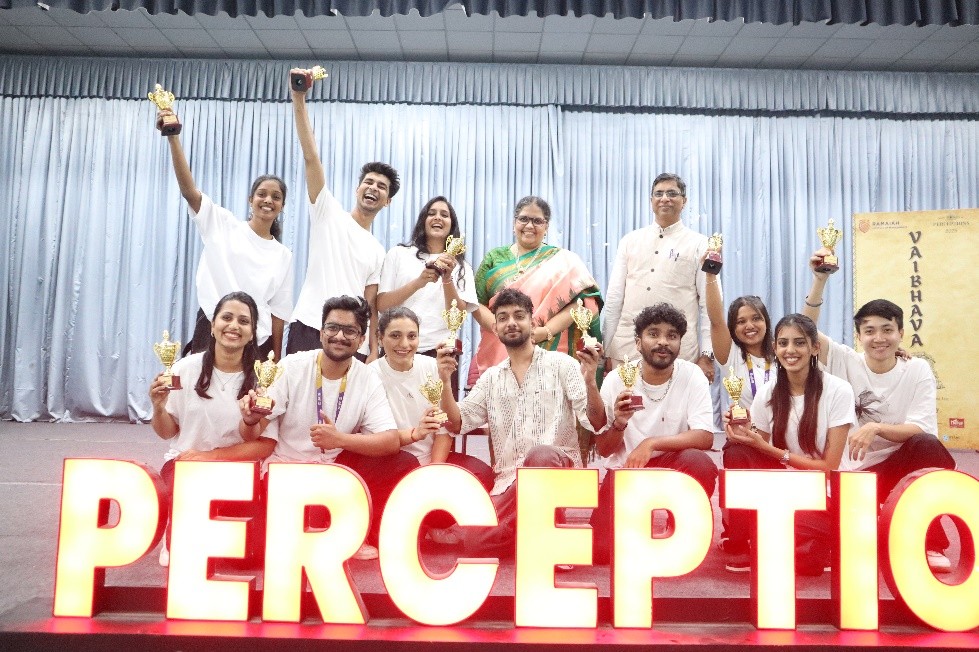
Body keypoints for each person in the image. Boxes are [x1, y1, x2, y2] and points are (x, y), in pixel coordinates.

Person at [802, 249, 956, 572]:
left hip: (896, 472)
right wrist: (819, 280)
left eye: (887, 329)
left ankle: (928, 539)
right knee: (808, 546)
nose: (879, 338)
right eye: (870, 331)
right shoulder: (846, 360)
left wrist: (876, 428)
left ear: (901, 334)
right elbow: (805, 329)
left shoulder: (917, 369)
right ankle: (877, 523)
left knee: (928, 447)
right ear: (859, 337)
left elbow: (921, 428)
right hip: (850, 478)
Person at [239, 295, 418, 560]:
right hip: (287, 473)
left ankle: (354, 532)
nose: (339, 336)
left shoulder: (366, 377)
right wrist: (250, 420)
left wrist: (340, 440)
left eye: (350, 331)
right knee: (254, 553)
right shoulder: (291, 367)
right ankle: (326, 530)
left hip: (337, 475)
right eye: (333, 328)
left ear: (361, 339)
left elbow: (391, 440)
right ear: (321, 333)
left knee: (403, 462)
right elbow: (251, 433)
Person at [443, 288, 607, 557]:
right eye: (503, 318)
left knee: (540, 456)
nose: (511, 323)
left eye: (519, 316)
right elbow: (456, 423)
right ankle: (530, 534)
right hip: (510, 484)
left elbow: (596, 422)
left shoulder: (562, 365)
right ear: (495, 328)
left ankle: (537, 539)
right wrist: (443, 379)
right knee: (474, 542)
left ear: (533, 323)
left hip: (556, 473)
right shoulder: (491, 378)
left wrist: (590, 381)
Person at [149, 291, 277, 566]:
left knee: (249, 557)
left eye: (243, 321)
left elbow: (265, 445)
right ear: (212, 325)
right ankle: (178, 526)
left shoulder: (263, 379)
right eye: (226, 318)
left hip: (238, 471)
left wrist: (211, 457)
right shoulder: (185, 368)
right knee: (186, 557)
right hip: (187, 467)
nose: (234, 326)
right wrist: (158, 408)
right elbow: (167, 432)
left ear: (252, 333)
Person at [722, 313, 855, 575]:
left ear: (815, 348)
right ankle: (746, 542)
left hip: (827, 494)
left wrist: (773, 451)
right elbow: (757, 449)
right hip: (784, 491)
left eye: (799, 343)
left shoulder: (838, 391)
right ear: (775, 348)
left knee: (805, 550)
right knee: (736, 451)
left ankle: (797, 539)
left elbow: (829, 468)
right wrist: (742, 429)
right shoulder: (767, 393)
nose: (790, 350)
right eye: (783, 343)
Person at [156, 109, 293, 361]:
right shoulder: (223, 224)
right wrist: (173, 138)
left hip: (256, 340)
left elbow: (278, 311)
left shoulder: (283, 255)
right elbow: (189, 191)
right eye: (262, 194)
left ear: (282, 206)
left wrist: (274, 360)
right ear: (250, 199)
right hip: (211, 328)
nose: (268, 200)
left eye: (276, 197)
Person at [590, 304, 717, 565]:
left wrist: (651, 443)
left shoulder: (692, 375)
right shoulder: (616, 379)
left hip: (673, 466)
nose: (663, 342)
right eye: (653, 334)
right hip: (628, 471)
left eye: (672, 336)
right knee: (602, 553)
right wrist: (619, 424)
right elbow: (604, 449)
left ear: (680, 343)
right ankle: (636, 525)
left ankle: (681, 530)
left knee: (699, 463)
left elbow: (705, 436)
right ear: (638, 342)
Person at [287, 70, 400, 361]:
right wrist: (299, 98)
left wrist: (373, 348)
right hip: (310, 326)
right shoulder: (328, 213)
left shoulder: (378, 251)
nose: (373, 188)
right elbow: (311, 158)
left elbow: (371, 305)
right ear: (357, 189)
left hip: (352, 340)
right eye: (369, 182)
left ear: (387, 201)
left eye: (382, 187)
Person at [370, 307, 494, 544]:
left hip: (430, 459)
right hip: (392, 462)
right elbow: (376, 439)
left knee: (481, 475)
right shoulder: (370, 375)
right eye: (395, 335)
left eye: (412, 336)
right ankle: (402, 524)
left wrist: (434, 471)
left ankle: (431, 523)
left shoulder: (432, 368)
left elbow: (445, 428)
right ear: (380, 337)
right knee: (403, 464)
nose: (404, 344)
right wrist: (415, 435)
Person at [467, 196, 602, 385]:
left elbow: (583, 303)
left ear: (546, 226)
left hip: (549, 349)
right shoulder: (494, 257)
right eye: (523, 219)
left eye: (537, 221)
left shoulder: (564, 261)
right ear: (514, 222)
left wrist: (544, 332)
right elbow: (475, 302)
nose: (529, 225)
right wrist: (503, 330)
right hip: (500, 349)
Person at [603, 173, 715, 382]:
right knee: (624, 402)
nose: (665, 198)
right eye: (659, 194)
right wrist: (607, 348)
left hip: (677, 350)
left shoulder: (700, 244)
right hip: (627, 347)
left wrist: (707, 354)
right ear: (651, 200)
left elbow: (709, 306)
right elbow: (614, 299)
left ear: (684, 201)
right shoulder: (630, 241)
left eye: (672, 193)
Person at [377, 196, 478, 396]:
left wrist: (447, 278)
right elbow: (382, 305)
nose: (437, 218)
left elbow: (457, 318)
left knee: (437, 413)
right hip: (396, 348)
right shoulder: (398, 254)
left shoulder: (462, 268)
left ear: (452, 225)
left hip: (439, 352)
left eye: (444, 215)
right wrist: (419, 282)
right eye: (432, 213)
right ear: (423, 220)